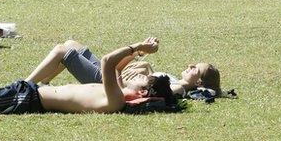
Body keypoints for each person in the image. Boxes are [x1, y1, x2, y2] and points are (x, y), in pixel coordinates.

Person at [0, 37, 179, 115]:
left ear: (143, 94)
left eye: (143, 80)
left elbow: (106, 61)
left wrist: (137, 48)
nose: (138, 77)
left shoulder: (116, 101)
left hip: (26, 98)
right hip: (29, 93)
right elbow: (112, 65)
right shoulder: (118, 93)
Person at [25, 39, 221, 97]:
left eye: (195, 68)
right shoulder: (175, 82)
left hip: (110, 82)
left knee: (63, 51)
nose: (190, 65)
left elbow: (138, 91)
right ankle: (44, 84)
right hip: (117, 75)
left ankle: (24, 86)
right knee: (71, 44)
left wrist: (137, 53)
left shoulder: (177, 88)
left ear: (199, 82)